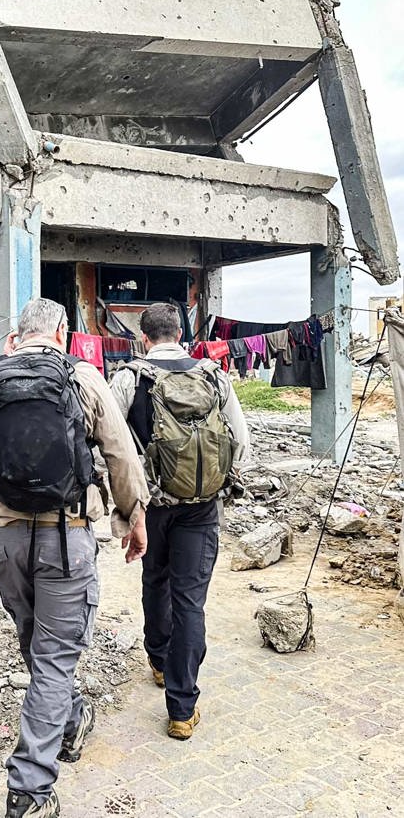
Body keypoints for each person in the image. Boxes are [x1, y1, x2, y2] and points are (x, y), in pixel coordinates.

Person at [0, 297, 149, 818]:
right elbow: (119, 452)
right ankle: (30, 791)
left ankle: (70, 719)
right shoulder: (82, 376)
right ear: (63, 332)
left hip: (6, 536)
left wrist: (2, 375)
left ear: (17, 335)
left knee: (37, 645)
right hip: (67, 535)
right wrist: (133, 516)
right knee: (55, 656)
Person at [110, 302, 250, 740]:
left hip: (151, 506)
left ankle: (157, 660)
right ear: (180, 335)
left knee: (155, 581)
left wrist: (128, 504)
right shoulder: (213, 375)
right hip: (202, 507)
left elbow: (111, 446)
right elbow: (240, 440)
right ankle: (182, 709)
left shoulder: (129, 378)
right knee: (189, 600)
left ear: (144, 338)